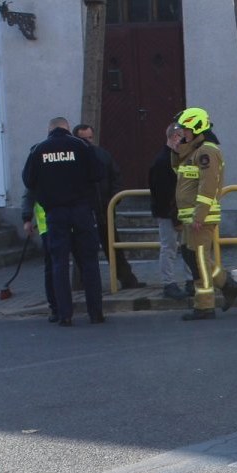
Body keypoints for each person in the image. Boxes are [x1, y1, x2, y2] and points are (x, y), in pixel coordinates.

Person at [22, 117, 104, 326]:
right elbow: (98, 173)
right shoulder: (81, 146)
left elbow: (28, 181)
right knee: (89, 262)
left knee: (59, 264)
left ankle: (64, 314)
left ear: (49, 130)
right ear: (68, 129)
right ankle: (95, 313)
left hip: (56, 214)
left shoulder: (39, 150)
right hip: (81, 212)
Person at [171, 107, 237, 320]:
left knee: (199, 260)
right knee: (189, 255)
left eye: (185, 130)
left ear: (196, 128)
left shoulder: (207, 152)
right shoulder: (194, 150)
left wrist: (200, 216)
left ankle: (204, 306)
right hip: (190, 216)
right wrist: (177, 149)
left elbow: (208, 186)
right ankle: (227, 285)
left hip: (200, 218)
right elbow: (180, 173)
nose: (182, 133)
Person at [72, 124, 145, 290]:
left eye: (90, 138)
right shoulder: (74, 159)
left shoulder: (102, 155)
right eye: (84, 139)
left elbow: (116, 178)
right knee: (82, 249)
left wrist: (112, 201)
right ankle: (86, 283)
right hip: (83, 212)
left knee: (114, 247)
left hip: (104, 210)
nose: (88, 142)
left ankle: (127, 280)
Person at [149, 123, 196, 300]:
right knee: (169, 248)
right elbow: (163, 193)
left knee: (186, 247)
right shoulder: (163, 161)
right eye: (182, 137)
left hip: (180, 211)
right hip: (168, 212)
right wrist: (174, 217)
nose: (185, 141)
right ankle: (169, 284)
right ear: (174, 137)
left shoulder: (178, 157)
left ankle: (191, 280)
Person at [21, 187, 58, 322]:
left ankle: (58, 306)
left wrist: (27, 219)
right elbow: (29, 194)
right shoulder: (37, 168)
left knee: (54, 268)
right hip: (48, 227)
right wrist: (27, 218)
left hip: (62, 224)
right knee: (52, 268)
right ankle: (56, 306)